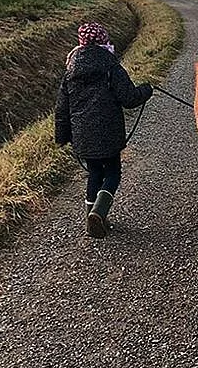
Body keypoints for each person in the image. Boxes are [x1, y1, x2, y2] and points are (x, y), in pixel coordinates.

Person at [54, 22, 153, 238]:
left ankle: (93, 218)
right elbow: (129, 98)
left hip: (82, 136)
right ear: (103, 41)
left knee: (95, 173)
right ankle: (98, 213)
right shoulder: (110, 65)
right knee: (113, 173)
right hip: (109, 134)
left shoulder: (70, 69)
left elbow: (61, 107)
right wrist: (147, 89)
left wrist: (62, 136)